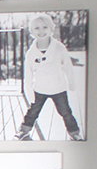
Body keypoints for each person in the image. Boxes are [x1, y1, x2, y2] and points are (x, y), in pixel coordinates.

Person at [14, 13, 82, 141]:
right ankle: (23, 131)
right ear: (32, 32)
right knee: (33, 112)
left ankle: (74, 133)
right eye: (37, 28)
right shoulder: (31, 52)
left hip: (58, 88)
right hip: (40, 88)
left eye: (45, 27)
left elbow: (67, 65)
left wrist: (71, 82)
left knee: (66, 112)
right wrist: (29, 90)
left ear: (51, 29)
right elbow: (28, 73)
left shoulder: (59, 48)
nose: (41, 31)